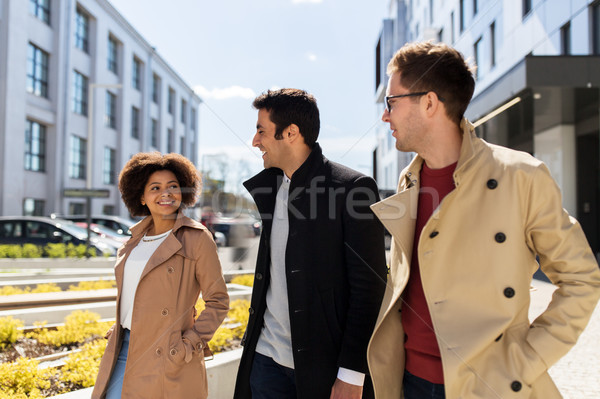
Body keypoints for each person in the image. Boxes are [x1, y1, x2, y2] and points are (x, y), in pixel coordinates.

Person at [367, 41, 600, 399]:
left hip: (486, 387)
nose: (385, 116)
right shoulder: (409, 180)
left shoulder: (521, 175)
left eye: (391, 102)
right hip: (409, 381)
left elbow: (582, 278)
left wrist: (522, 363)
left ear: (428, 103)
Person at [233, 88, 387, 399]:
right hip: (264, 363)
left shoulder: (352, 189)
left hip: (324, 370)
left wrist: (353, 373)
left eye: (261, 130)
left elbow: (369, 288)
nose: (255, 141)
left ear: (290, 133)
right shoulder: (271, 187)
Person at [92, 152, 229, 399]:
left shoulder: (197, 238)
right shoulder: (132, 242)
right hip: (124, 346)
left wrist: (189, 344)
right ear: (142, 197)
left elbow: (218, 301)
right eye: (155, 187)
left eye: (173, 186)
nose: (165, 193)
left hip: (167, 353)